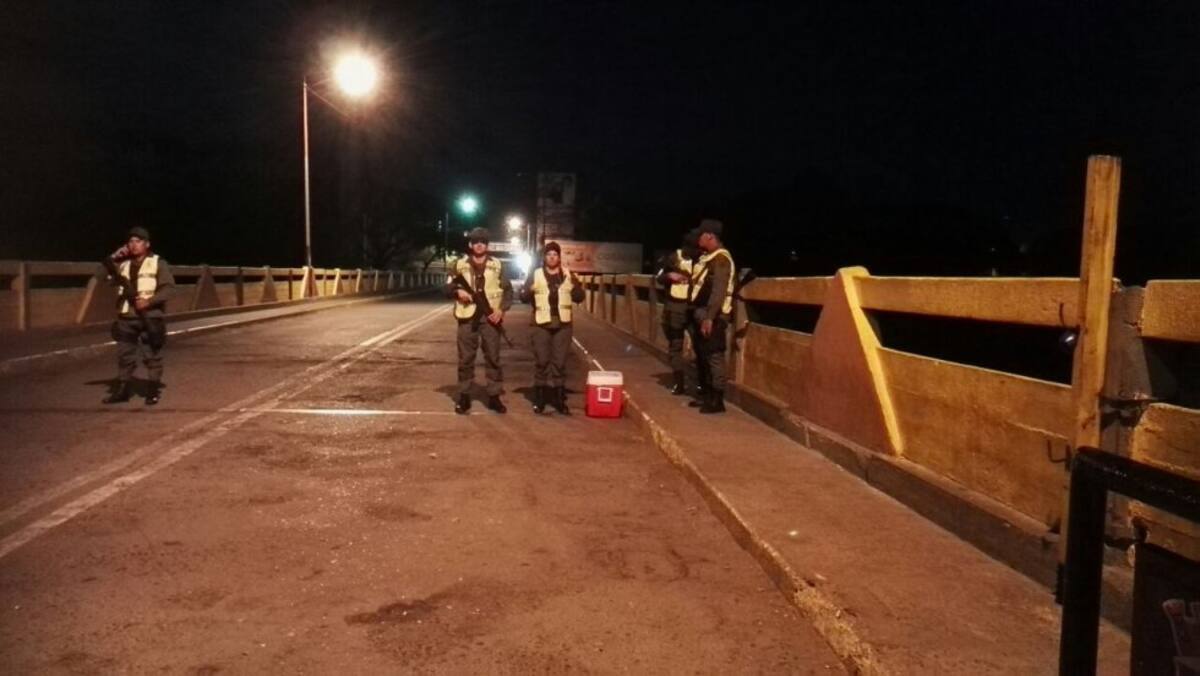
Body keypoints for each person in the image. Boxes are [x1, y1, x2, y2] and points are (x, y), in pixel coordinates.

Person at [101, 226, 175, 405]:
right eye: (131, 241)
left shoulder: (158, 263)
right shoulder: (123, 265)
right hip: (127, 317)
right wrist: (113, 257)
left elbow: (169, 289)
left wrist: (149, 302)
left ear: (147, 244)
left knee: (152, 356)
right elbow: (99, 276)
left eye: (138, 241)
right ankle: (123, 391)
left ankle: (152, 390)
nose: (134, 245)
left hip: (150, 317)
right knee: (124, 355)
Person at [445, 227, 513, 414]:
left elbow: (508, 291)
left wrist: (501, 310)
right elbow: (447, 287)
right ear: (470, 244)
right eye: (476, 241)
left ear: (487, 245)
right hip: (467, 317)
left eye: (482, 241)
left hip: (490, 318)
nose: (479, 244)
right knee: (465, 358)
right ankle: (464, 396)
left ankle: (494, 396)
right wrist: (457, 291)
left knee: (493, 357)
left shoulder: (498, 265)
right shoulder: (458, 265)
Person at [520, 241, 585, 414]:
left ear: (559, 257)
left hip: (563, 324)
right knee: (542, 362)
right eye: (549, 255)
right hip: (541, 324)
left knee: (560, 363)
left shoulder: (567, 274)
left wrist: (574, 285)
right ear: (545, 257)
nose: (552, 257)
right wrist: (530, 290)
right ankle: (539, 399)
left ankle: (559, 400)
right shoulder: (536, 274)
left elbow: (579, 297)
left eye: (555, 255)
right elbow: (523, 297)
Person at [688, 219, 735, 414]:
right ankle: (707, 395)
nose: (698, 238)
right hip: (702, 313)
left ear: (710, 236)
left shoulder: (721, 260)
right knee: (704, 357)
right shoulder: (708, 257)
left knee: (714, 357)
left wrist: (709, 317)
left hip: (714, 317)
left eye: (701, 235)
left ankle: (717, 400)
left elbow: (718, 292)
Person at [655, 228, 701, 395]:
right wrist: (670, 276)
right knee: (675, 346)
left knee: (700, 347)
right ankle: (679, 382)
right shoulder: (674, 257)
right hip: (675, 309)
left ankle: (699, 383)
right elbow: (658, 277)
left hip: (695, 309)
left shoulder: (703, 259)